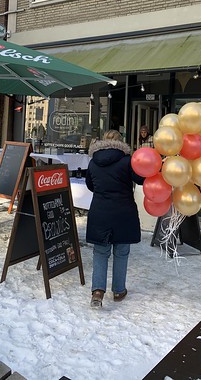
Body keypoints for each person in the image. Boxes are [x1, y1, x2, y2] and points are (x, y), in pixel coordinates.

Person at [85, 129, 145, 308]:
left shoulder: (93, 162)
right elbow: (141, 180)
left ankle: (97, 291)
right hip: (123, 212)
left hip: (100, 211)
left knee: (100, 252)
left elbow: (90, 185)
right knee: (121, 252)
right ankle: (118, 291)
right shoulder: (128, 161)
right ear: (121, 143)